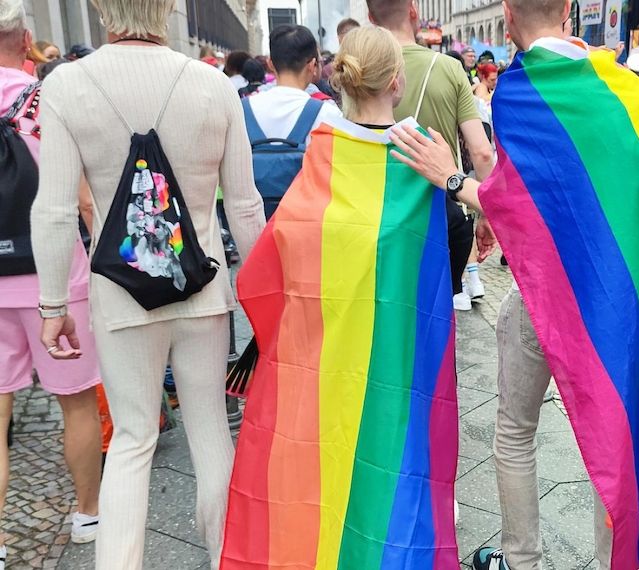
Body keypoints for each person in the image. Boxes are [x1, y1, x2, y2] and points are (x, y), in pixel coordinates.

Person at [390, 0, 639, 567]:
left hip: (543, 299)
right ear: (568, 10)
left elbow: (514, 197)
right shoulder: (625, 90)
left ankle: (523, 560)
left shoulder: (519, 89)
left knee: (514, 431)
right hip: (613, 301)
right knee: (613, 436)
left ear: (509, 15)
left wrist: (450, 174)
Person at [29, 0, 265, 567]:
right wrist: (260, 298)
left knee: (133, 441)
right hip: (202, 288)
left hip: (119, 293)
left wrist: (52, 303)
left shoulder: (68, 85)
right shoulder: (213, 87)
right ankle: (225, 558)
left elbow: (57, 209)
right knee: (211, 434)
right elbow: (244, 205)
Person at [220, 25, 465, 569]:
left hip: (321, 357)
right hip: (397, 361)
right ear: (397, 82)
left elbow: (271, 265)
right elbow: (451, 247)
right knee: (393, 466)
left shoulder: (322, 157)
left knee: (320, 467)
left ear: (338, 81)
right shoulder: (422, 158)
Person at [0, 3, 102, 565]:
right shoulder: (44, 100)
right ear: (28, 40)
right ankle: (88, 514)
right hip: (54, 277)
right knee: (76, 403)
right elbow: (82, 197)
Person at [368, 0, 495, 311]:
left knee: (387, 313)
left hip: (379, 213)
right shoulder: (449, 68)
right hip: (439, 212)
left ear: (371, 18)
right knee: (436, 316)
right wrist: (486, 215)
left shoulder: (363, 68)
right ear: (414, 12)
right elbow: (481, 151)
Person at [243, 24, 343, 218]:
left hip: (257, 226)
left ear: (271, 64)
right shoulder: (327, 113)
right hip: (308, 226)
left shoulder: (242, 109)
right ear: (313, 66)